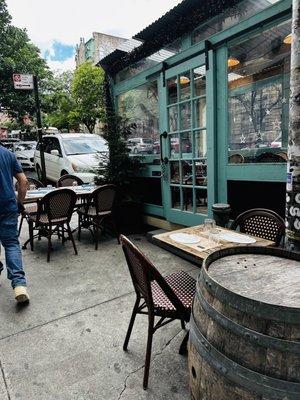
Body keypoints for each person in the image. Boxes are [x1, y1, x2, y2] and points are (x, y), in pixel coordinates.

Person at [0, 143, 29, 303]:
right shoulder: (8, 154)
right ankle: (19, 286)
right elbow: (23, 181)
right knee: (11, 244)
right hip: (7, 206)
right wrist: (20, 203)